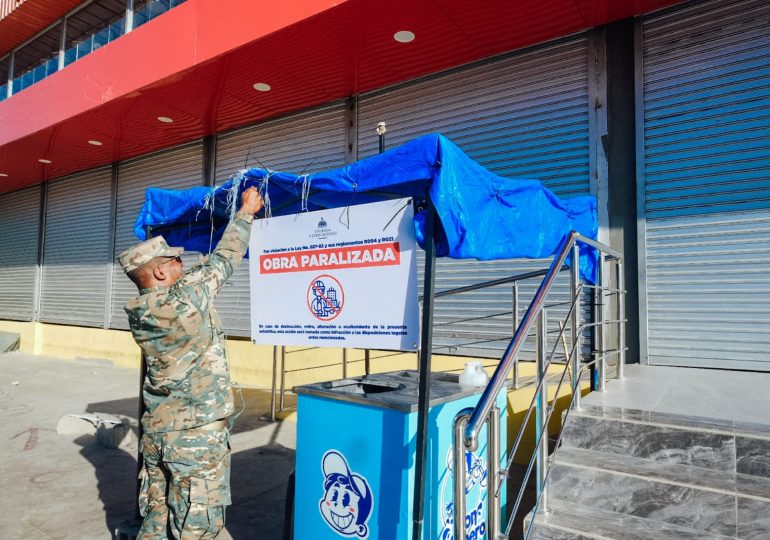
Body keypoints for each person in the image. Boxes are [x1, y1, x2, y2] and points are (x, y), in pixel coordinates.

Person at [118, 186, 263, 539]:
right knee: (197, 524)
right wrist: (246, 212)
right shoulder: (184, 302)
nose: (184, 263)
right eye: (175, 260)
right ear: (160, 273)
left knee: (156, 514)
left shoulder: (142, 310)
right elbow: (224, 258)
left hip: (158, 430)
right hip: (194, 434)